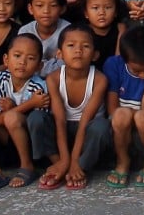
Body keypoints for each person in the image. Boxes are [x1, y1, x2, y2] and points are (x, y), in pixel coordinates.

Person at [31, 24, 111, 190]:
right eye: (71, 45)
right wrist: (65, 160)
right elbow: (60, 120)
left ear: (95, 55)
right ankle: (59, 164)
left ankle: (80, 167)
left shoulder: (99, 79)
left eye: (86, 46)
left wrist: (75, 161)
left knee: (101, 126)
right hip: (62, 131)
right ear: (59, 54)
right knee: (36, 118)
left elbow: (85, 121)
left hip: (86, 133)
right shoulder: (53, 79)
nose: (78, 50)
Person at [0, 33, 48, 193]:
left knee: (12, 116)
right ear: (6, 60)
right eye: (17, 55)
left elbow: (39, 123)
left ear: (39, 66)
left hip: (31, 146)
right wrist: (29, 104)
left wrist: (15, 108)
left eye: (30, 58)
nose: (22, 62)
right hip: (6, 139)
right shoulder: (1, 78)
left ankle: (27, 166)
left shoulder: (39, 87)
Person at [104, 26, 144, 189]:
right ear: (125, 60)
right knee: (121, 114)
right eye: (137, 70)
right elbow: (112, 110)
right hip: (120, 129)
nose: (142, 75)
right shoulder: (114, 65)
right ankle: (122, 160)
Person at [19, 0, 70, 76]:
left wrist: (38, 67)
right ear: (30, 9)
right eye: (39, 5)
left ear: (62, 8)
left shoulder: (69, 32)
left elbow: (68, 66)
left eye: (53, 5)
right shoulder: (25, 32)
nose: (46, 11)